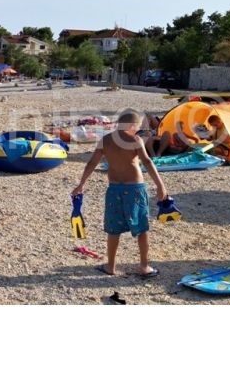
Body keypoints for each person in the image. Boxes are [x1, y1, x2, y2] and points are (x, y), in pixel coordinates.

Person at [72, 110, 168, 278]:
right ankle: (144, 267)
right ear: (132, 126)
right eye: (137, 128)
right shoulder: (135, 140)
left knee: (113, 229)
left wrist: (81, 184)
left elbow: (92, 163)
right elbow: (147, 162)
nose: (137, 131)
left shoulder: (105, 140)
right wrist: (161, 186)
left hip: (114, 189)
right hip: (135, 189)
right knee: (142, 228)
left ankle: (110, 266)